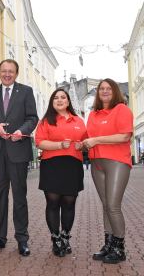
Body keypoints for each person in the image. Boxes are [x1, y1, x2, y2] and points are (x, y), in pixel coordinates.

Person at [0, 59, 38, 256]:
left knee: (20, 197)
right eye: (4, 71)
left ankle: (22, 239)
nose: (7, 74)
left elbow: (32, 118)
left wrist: (21, 131)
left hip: (18, 151)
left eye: (11, 71)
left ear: (16, 73)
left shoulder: (26, 91)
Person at [83, 78, 133, 264]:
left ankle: (119, 249)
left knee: (113, 205)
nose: (104, 91)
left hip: (117, 162)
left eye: (108, 88)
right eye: (101, 89)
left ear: (115, 92)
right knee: (105, 205)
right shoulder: (93, 114)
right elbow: (88, 136)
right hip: (97, 162)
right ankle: (109, 245)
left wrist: (96, 141)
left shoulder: (122, 109)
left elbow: (124, 136)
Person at [35, 89, 87, 257]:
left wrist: (83, 146)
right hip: (51, 164)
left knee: (69, 202)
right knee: (53, 202)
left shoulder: (79, 120)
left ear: (68, 101)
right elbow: (39, 142)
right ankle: (56, 238)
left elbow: (86, 141)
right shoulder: (45, 121)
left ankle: (65, 236)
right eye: (56, 98)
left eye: (63, 97)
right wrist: (59, 146)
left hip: (73, 164)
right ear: (52, 102)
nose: (59, 100)